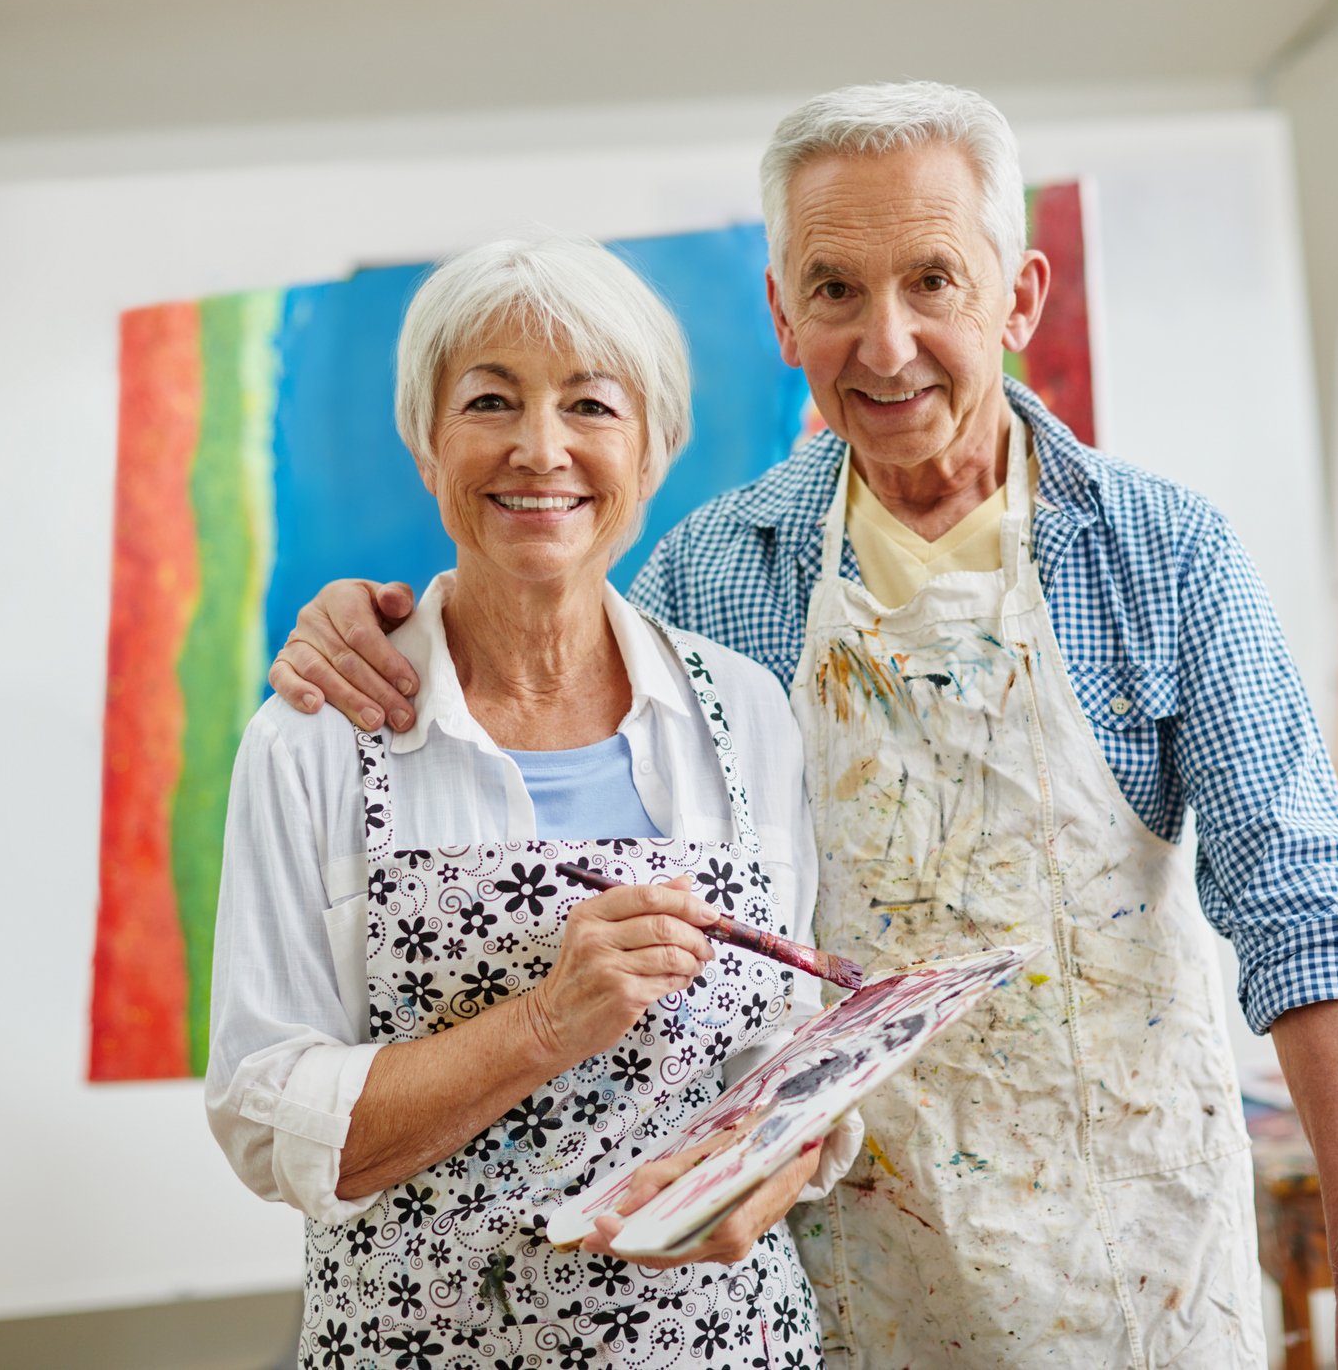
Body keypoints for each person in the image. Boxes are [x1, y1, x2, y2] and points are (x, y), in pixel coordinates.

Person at [268, 83, 1338, 1368]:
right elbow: (541, 655)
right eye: (835, 290)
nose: (886, 344)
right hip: (841, 1294)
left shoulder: (1161, 557)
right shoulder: (714, 576)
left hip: (1125, 1277)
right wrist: (377, 627)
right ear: (783, 314)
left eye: (933, 281)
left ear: (1019, 298)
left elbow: (1308, 907)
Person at [207, 237, 863, 1369]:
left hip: (722, 1344)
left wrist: (766, 1169)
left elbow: (785, 1046)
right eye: (490, 401)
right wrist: (547, 1024)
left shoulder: (745, 712)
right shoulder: (315, 739)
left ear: (652, 452)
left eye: (591, 405)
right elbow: (269, 1118)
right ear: (427, 443)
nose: (541, 448)